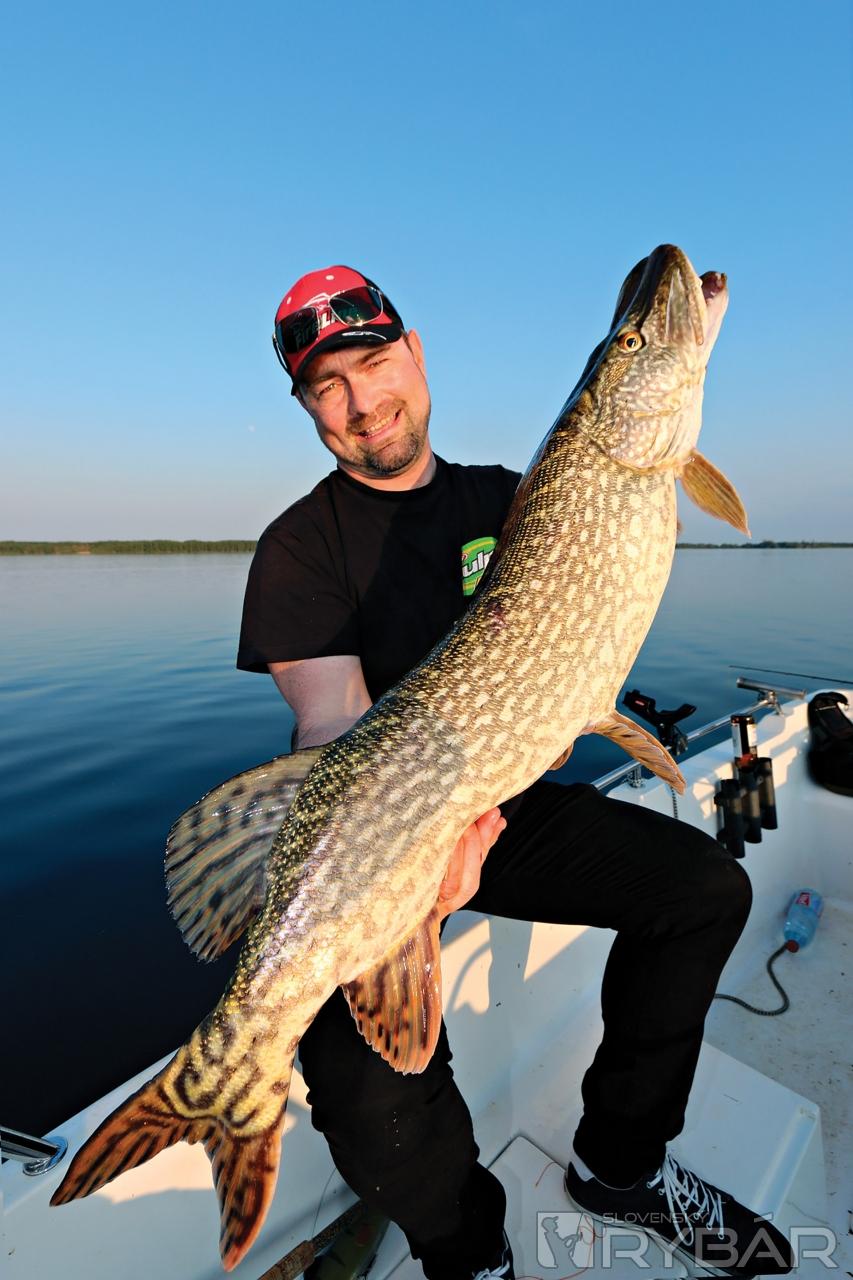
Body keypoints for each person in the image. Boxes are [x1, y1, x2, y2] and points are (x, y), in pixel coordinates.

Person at [237, 266, 794, 1280]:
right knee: (368, 1089)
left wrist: (560, 708)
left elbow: (591, 614)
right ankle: (468, 1251)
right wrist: (416, 859)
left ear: (414, 355)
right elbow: (331, 724)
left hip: (509, 796)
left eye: (374, 362)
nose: (361, 401)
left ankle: (620, 1165)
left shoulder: (513, 496)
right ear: (307, 405)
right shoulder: (296, 548)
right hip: (382, 824)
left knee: (705, 889)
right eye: (327, 386)